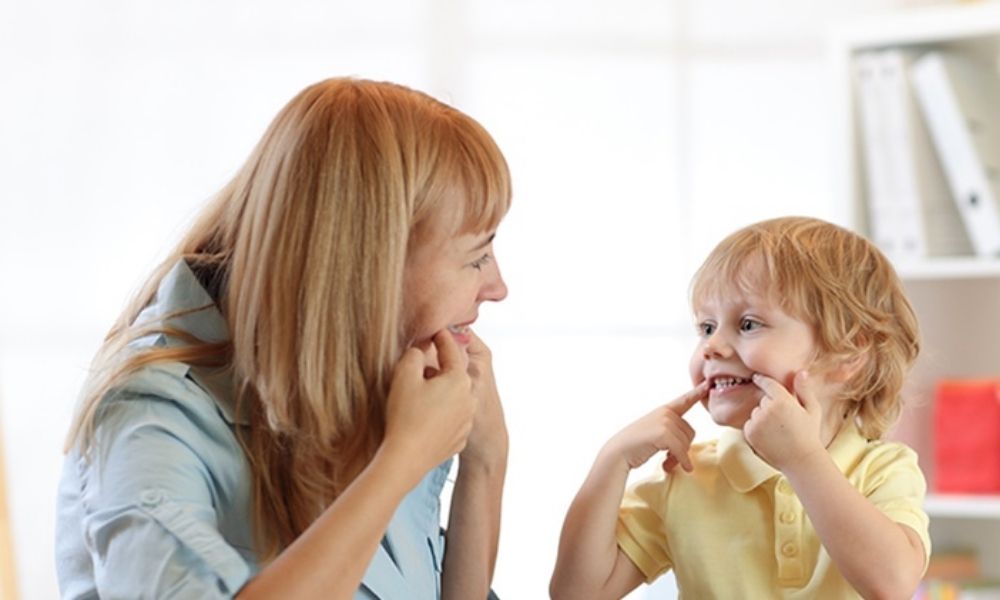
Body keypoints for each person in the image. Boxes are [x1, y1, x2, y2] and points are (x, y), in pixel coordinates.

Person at [55, 78, 511, 599]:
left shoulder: (381, 379)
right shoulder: (150, 417)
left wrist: (485, 461)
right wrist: (400, 462)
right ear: (369, 267)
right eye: (477, 257)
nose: (497, 287)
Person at [550, 216, 930, 599]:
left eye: (748, 324)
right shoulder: (688, 476)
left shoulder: (883, 470)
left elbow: (891, 584)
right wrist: (612, 461)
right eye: (706, 327)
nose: (711, 346)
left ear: (847, 353)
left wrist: (801, 460)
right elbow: (576, 594)